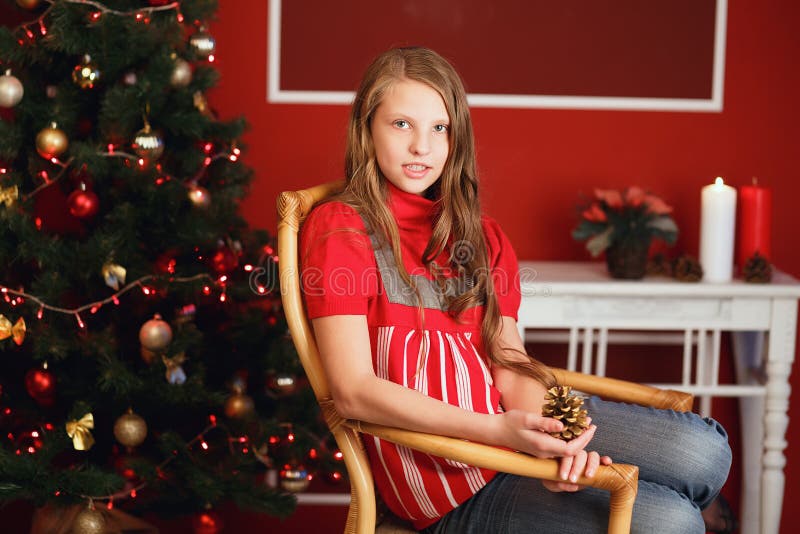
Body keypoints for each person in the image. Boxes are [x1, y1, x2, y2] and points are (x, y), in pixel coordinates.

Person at [299, 47, 734, 533]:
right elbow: (353, 392)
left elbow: (507, 361)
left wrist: (557, 441)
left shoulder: (480, 235)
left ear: (456, 137)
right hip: (445, 484)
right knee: (673, 521)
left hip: (508, 435)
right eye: (401, 124)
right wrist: (498, 433)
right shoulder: (341, 228)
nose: (422, 146)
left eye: (439, 128)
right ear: (368, 127)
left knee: (707, 451)